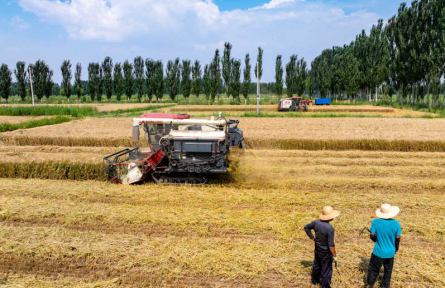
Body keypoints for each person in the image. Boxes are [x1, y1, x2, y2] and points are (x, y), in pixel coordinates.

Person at [366, 204, 402, 288]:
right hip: (390, 253)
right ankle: (385, 286)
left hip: (378, 252)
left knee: (373, 270)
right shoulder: (397, 224)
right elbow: (397, 238)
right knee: (388, 272)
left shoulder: (375, 222)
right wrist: (395, 249)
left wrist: (377, 240)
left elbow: (372, 235)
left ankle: (369, 285)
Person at [304, 206, 340, 288]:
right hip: (326, 251)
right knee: (326, 269)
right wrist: (334, 255)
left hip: (317, 248)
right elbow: (331, 244)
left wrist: (312, 237)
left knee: (317, 264)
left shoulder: (316, 222)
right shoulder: (329, 228)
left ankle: (314, 281)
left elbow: (306, 228)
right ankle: (325, 285)